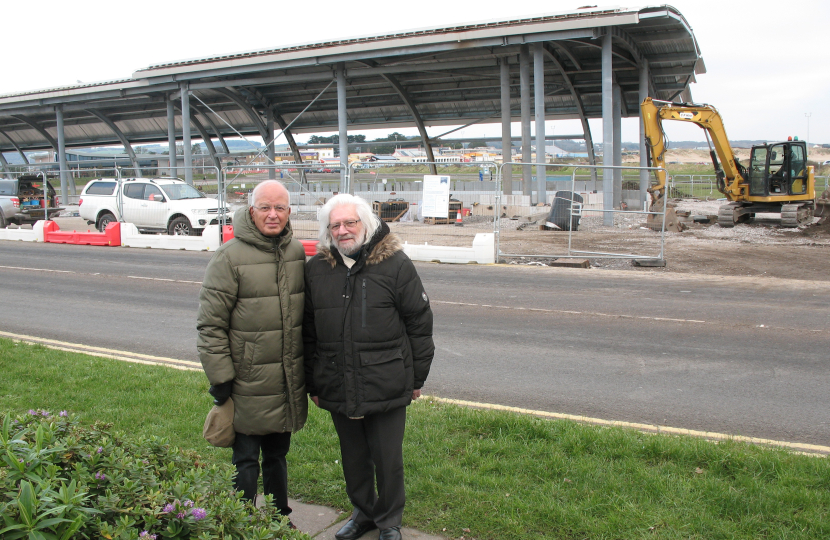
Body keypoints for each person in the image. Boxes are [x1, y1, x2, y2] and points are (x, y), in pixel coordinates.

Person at [303, 194, 434, 540]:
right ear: (328, 230)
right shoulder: (316, 269)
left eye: (350, 223)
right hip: (337, 379)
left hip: (386, 379)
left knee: (387, 459)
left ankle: (389, 521)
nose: (343, 231)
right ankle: (364, 513)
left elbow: (419, 324)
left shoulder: (396, 265)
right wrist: (313, 384)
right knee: (354, 458)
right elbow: (308, 330)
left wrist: (416, 378)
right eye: (336, 225)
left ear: (367, 224)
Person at [197, 180, 306, 523]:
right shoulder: (229, 257)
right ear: (250, 209)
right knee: (245, 459)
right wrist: (221, 379)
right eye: (265, 207)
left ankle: (278, 518)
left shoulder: (296, 252)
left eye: (280, 208)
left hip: (285, 379)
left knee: (277, 456)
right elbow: (210, 325)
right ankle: (242, 519)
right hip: (246, 383)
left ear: (289, 212)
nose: (273, 215)